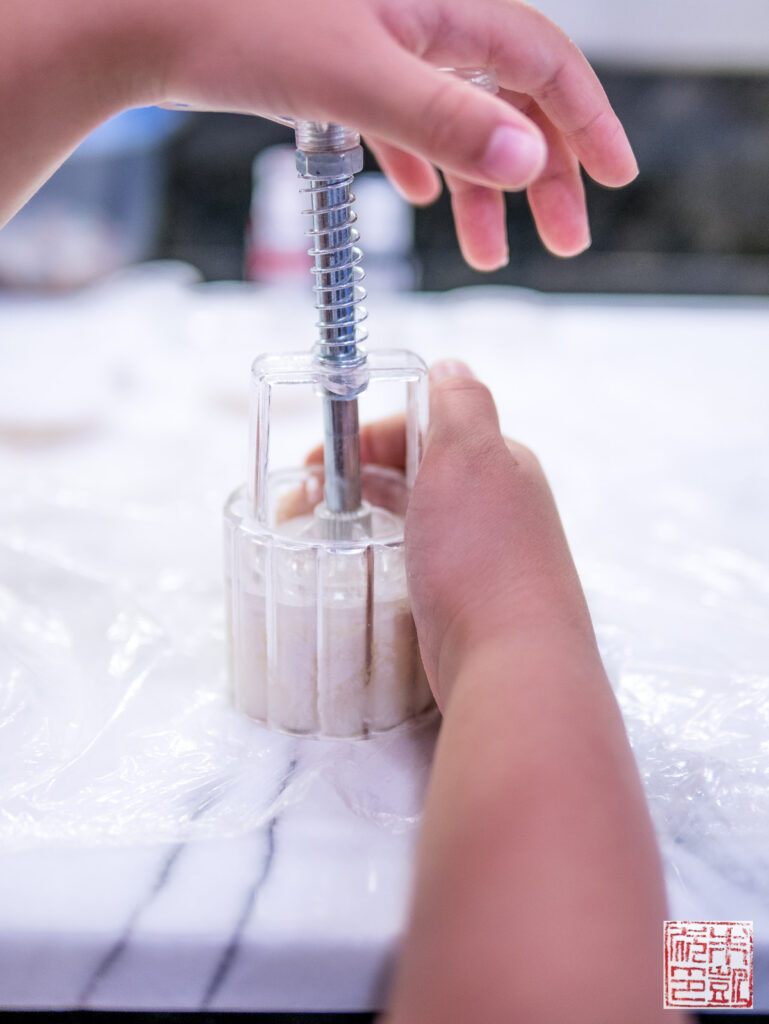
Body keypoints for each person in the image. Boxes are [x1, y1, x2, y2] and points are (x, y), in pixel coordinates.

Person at [2, 0, 676, 1019]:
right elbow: (608, 976)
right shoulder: (687, 949)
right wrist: (519, 632)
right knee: (716, 954)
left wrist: (140, 36)